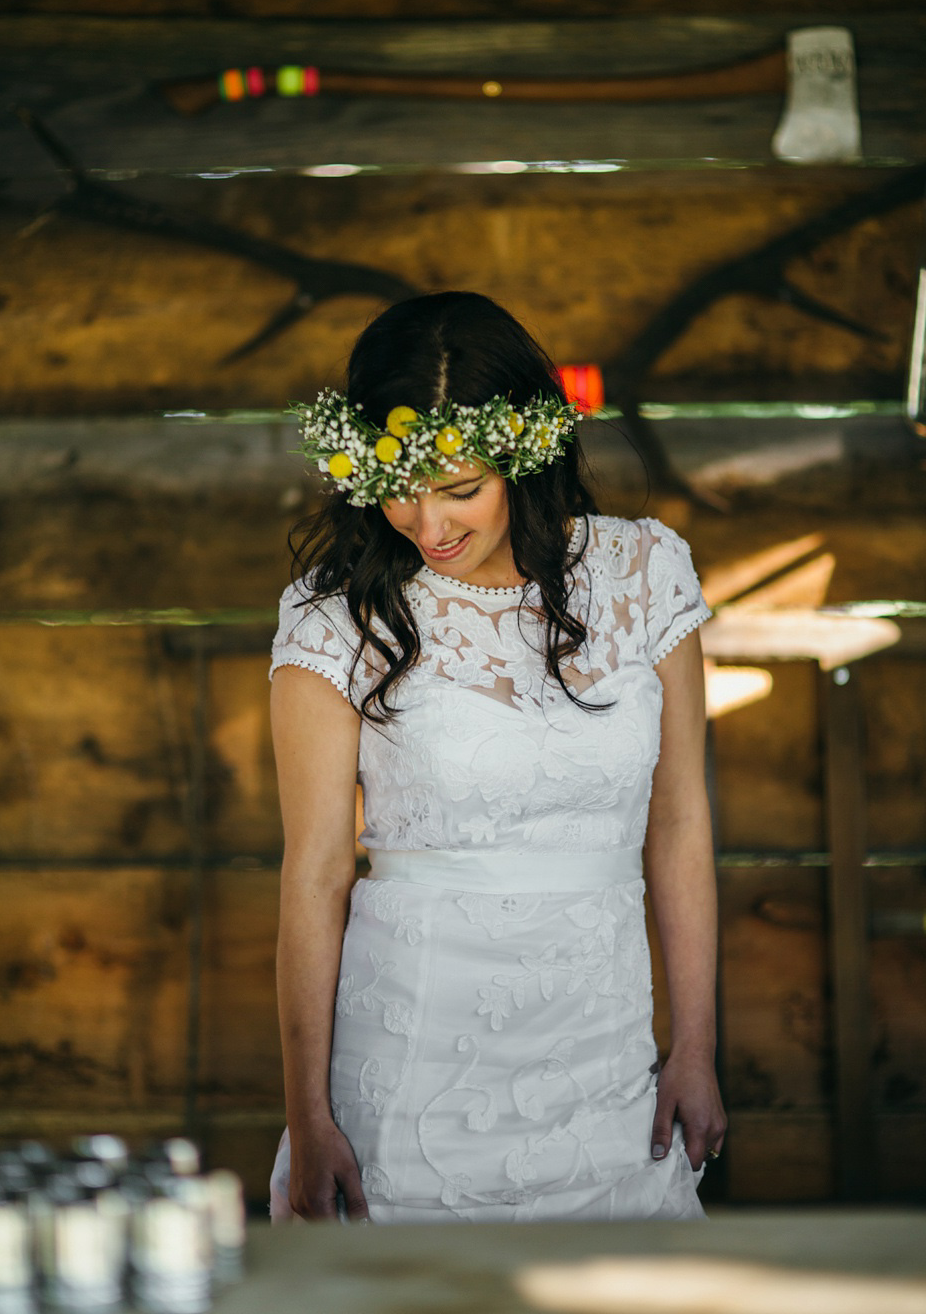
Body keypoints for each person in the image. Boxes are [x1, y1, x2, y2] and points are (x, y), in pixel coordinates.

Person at [268, 291, 726, 1225]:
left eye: (458, 486)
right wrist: (309, 1115)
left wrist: (695, 1048)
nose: (424, 522)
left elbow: (678, 824)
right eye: (397, 485)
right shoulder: (335, 616)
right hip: (408, 1069)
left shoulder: (645, 574)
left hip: (606, 1064)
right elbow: (315, 875)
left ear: (525, 455)